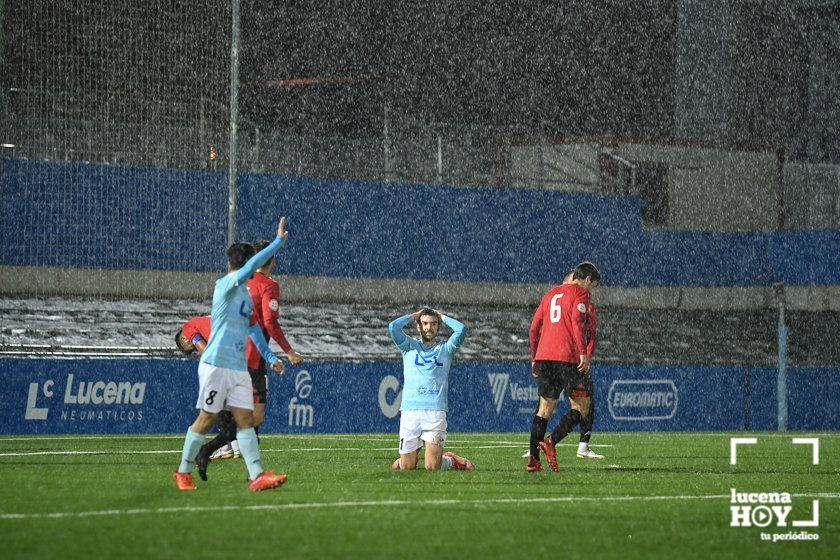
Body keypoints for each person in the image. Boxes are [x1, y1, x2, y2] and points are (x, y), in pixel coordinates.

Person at [172, 216, 289, 492]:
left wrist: (270, 357)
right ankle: (182, 472)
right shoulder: (225, 286)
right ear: (247, 263)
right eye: (254, 262)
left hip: (236, 366)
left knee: (245, 420)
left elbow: (254, 331)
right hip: (215, 364)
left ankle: (256, 475)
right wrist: (278, 242)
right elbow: (251, 265)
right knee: (206, 419)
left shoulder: (245, 297)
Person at [206, 238, 305, 462]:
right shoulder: (269, 285)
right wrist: (288, 351)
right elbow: (269, 323)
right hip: (252, 354)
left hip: (228, 351)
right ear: (273, 261)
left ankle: (230, 444)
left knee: (228, 400)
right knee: (255, 408)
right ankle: (229, 444)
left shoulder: (238, 282)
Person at [174, 314, 285, 472]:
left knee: (215, 410)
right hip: (245, 350)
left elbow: (205, 351)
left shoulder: (188, 329)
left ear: (184, 340)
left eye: (191, 350)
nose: (193, 351)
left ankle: (197, 460)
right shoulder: (216, 317)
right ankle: (240, 449)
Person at [520, 269, 604, 460]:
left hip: (545, 356)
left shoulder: (550, 294)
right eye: (592, 285)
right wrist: (584, 353)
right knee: (583, 407)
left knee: (544, 407)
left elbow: (534, 328)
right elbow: (579, 325)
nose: (591, 289)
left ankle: (533, 459)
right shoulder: (581, 294)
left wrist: (535, 356)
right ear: (586, 280)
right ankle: (552, 442)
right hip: (567, 357)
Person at [388, 308, 474, 472]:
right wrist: (414, 316)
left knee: (432, 467)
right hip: (410, 411)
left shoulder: (446, 349)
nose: (429, 327)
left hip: (435, 411)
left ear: (438, 326)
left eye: (434, 324)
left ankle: (450, 460)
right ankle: (407, 459)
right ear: (418, 326)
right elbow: (393, 327)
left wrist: (442, 316)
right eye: (425, 323)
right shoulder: (408, 346)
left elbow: (461, 329)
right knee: (406, 468)